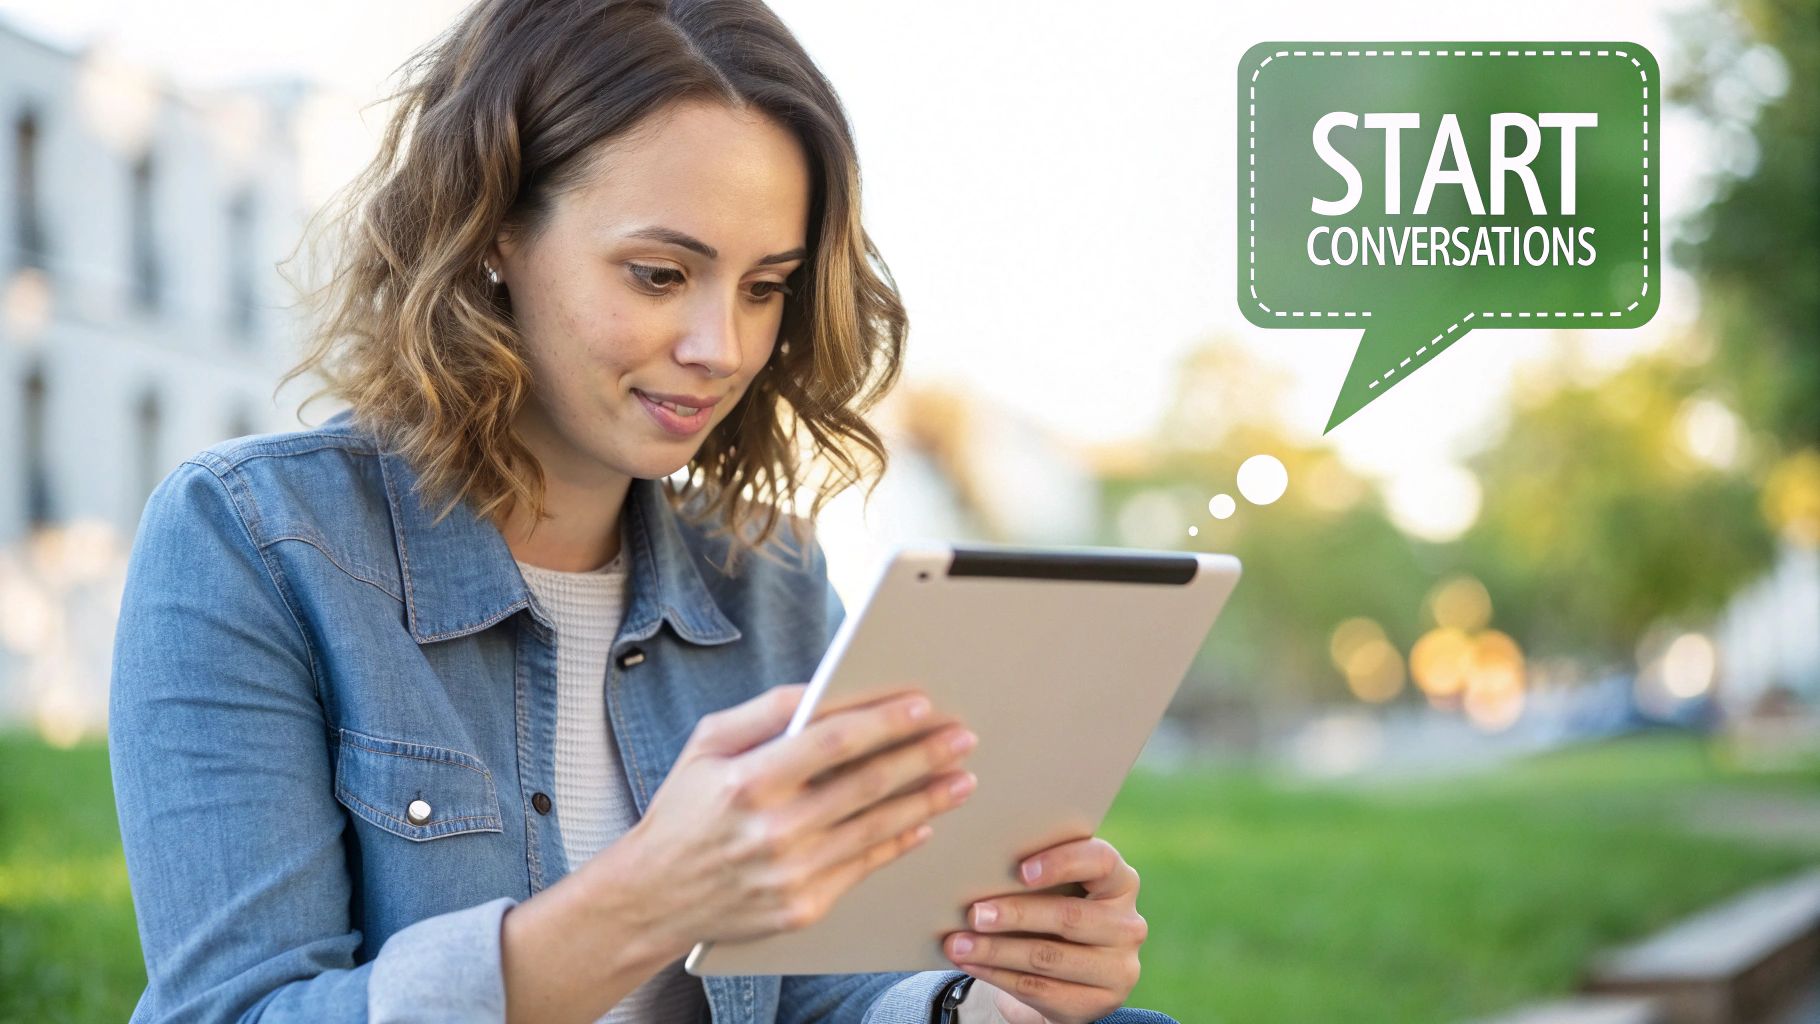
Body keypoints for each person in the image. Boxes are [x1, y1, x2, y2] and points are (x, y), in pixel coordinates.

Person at [107, 1, 1172, 1022]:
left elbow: (808, 992)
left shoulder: (771, 576)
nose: (723, 347)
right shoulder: (252, 541)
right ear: (492, 233)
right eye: (660, 274)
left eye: (765, 286)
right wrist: (649, 896)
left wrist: (982, 1000)